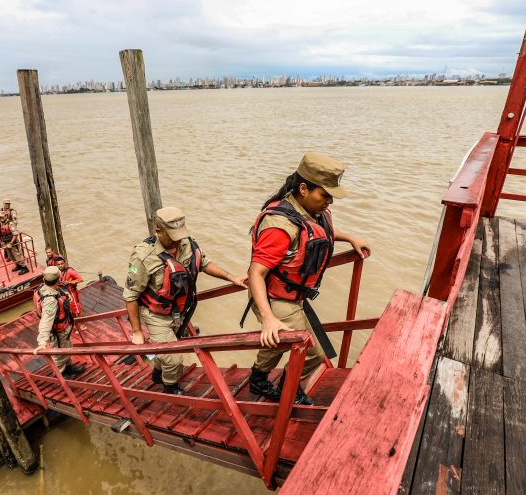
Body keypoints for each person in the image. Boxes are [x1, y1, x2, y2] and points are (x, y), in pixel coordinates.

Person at [246, 153, 371, 406]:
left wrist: (349, 238)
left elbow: (318, 233)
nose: (330, 201)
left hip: (293, 295)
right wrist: (268, 318)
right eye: (325, 194)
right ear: (304, 189)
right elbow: (255, 273)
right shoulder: (279, 226)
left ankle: (258, 378)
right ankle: (287, 391)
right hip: (274, 296)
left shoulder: (310, 211)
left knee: (280, 342)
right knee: (313, 353)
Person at [124, 206, 247, 395]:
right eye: (173, 235)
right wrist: (137, 331)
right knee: (174, 359)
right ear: (158, 231)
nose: (179, 239)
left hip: (180, 312)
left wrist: (232, 278)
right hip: (157, 316)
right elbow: (131, 295)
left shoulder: (187, 244)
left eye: (181, 233)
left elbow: (204, 262)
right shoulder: (143, 257)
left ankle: (158, 373)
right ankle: (170, 387)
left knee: (166, 351)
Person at [32, 266, 84, 378]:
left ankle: (69, 367)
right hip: (57, 332)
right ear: (58, 279)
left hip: (64, 328)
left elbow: (58, 292)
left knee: (68, 348)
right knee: (58, 354)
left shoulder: (46, 287)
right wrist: (42, 342)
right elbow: (46, 320)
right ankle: (60, 374)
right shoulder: (50, 301)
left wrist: (67, 296)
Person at [55, 256, 85, 329]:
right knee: (69, 310)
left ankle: (82, 325)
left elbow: (80, 279)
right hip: (63, 293)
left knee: (77, 309)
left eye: (62, 264)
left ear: (65, 263)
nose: (60, 265)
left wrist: (69, 282)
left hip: (72, 293)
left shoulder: (69, 271)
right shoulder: (57, 272)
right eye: (58, 264)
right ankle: (75, 323)